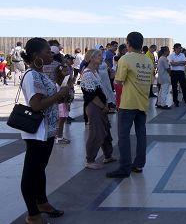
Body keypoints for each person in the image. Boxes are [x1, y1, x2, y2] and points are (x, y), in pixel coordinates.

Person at [19, 38, 70, 224]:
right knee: (31, 172)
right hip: (36, 133)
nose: (51, 54)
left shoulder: (41, 74)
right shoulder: (32, 75)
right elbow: (36, 105)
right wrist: (60, 93)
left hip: (47, 130)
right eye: (47, 52)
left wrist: (62, 87)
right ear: (35, 55)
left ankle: (42, 202)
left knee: (40, 169)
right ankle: (32, 214)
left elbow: (50, 99)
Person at [107, 31, 154, 178]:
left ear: (128, 44)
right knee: (141, 134)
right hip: (143, 102)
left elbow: (118, 81)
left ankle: (124, 167)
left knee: (124, 136)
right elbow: (151, 81)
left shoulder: (125, 59)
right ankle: (139, 164)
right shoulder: (148, 61)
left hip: (128, 103)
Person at [80, 49, 115, 170]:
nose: (102, 58)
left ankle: (108, 155)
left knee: (105, 130)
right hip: (95, 107)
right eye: (99, 56)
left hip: (100, 106)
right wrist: (103, 106)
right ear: (91, 58)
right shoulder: (88, 74)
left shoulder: (95, 72)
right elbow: (92, 95)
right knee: (96, 133)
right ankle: (90, 160)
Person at [168, 43, 186, 107]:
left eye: (180, 48)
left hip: (181, 72)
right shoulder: (171, 55)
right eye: (179, 48)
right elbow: (172, 64)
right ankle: (175, 101)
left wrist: (176, 63)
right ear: (175, 48)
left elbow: (185, 63)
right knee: (174, 88)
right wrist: (180, 63)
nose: (180, 49)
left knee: (184, 87)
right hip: (174, 72)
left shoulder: (182, 55)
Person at [54, 64, 71, 144]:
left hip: (63, 102)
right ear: (59, 72)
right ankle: (58, 137)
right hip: (61, 103)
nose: (67, 72)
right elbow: (61, 93)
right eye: (64, 71)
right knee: (61, 121)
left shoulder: (65, 80)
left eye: (67, 70)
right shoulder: (59, 82)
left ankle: (59, 136)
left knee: (62, 120)